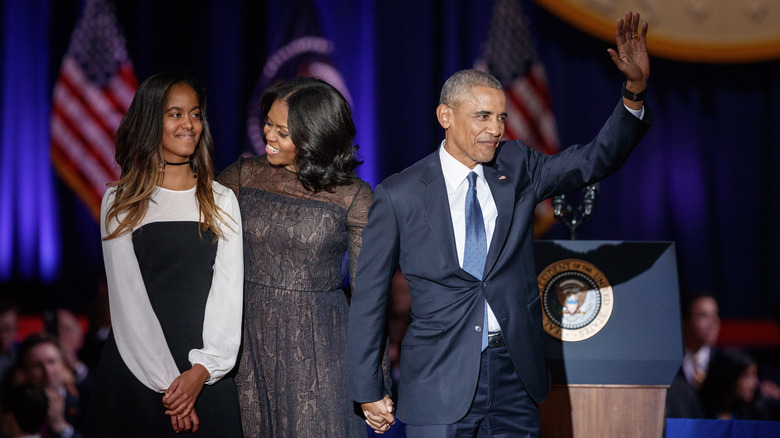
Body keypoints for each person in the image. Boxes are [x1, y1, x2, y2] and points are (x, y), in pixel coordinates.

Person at [348, 11, 651, 437]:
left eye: (502, 117)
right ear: (445, 116)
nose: (496, 129)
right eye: (483, 117)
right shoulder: (400, 193)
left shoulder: (518, 164)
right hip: (439, 381)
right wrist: (367, 388)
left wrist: (633, 93)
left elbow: (590, 161)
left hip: (514, 378)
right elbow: (370, 298)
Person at [217, 76, 383, 437]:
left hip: (318, 351)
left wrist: (373, 385)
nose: (267, 136)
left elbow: (370, 297)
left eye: (282, 131)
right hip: (245, 343)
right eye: (268, 124)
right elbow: (191, 228)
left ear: (314, 137)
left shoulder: (353, 197)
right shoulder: (244, 175)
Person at [87, 72, 244, 437]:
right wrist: (171, 387)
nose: (189, 124)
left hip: (207, 378)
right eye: (175, 114)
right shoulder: (121, 200)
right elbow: (128, 301)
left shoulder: (221, 200)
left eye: (195, 114)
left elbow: (228, 296)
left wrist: (201, 372)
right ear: (150, 121)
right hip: (136, 374)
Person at [14, 332, 82, 438]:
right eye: (37, 365)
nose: (47, 370)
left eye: (52, 362)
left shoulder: (83, 402)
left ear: (62, 364)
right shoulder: (14, 410)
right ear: (24, 372)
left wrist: (62, 427)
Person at [666, 291, 720, 418]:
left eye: (715, 315)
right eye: (703, 316)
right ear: (684, 322)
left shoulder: (726, 363)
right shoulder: (669, 365)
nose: (713, 323)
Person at [700, 348, 769, 420]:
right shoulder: (700, 409)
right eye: (747, 376)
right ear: (729, 377)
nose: (755, 383)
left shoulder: (756, 412)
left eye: (755, 375)